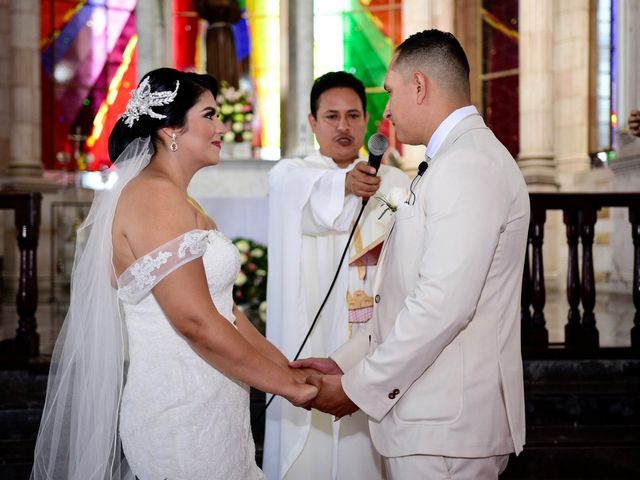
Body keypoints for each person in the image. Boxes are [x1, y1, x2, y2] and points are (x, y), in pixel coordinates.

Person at [31, 68, 317, 480]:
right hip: (180, 415)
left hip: (212, 406)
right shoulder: (154, 197)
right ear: (170, 130)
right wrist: (286, 387)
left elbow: (226, 313)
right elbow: (195, 322)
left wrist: (287, 369)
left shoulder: (179, 199)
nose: (221, 126)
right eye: (209, 115)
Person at [293, 29, 530, 479]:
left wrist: (357, 388)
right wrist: (343, 361)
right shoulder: (451, 161)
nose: (386, 110)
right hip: (431, 422)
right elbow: (407, 295)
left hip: (446, 428)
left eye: (390, 91)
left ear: (419, 85)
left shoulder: (468, 166)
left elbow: (442, 305)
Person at [264, 71, 409, 480]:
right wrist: (342, 184)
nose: (342, 126)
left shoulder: (395, 184)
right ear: (312, 122)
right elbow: (301, 194)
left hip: (368, 346)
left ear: (367, 122)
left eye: (352, 115)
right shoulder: (293, 176)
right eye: (331, 116)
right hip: (309, 339)